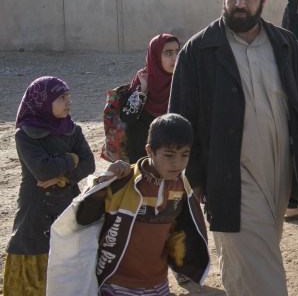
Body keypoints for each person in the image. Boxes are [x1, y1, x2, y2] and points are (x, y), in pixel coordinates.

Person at [168, 0, 298, 296]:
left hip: (278, 168)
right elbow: (179, 119)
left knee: (252, 256)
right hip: (227, 171)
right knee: (254, 260)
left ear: (262, 0)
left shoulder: (284, 44)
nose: (240, 2)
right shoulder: (199, 51)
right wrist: (192, 178)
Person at [75, 113, 210, 294]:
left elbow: (185, 230)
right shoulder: (124, 180)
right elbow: (83, 218)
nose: (177, 163)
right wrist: (105, 180)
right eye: (169, 155)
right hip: (116, 283)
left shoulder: (182, 187)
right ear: (149, 151)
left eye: (184, 154)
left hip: (158, 284)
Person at [3, 76, 95, 296]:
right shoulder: (25, 134)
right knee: (31, 247)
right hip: (35, 208)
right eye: (61, 97)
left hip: (66, 202)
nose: (68, 102)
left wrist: (64, 178)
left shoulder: (73, 129)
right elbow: (42, 170)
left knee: (65, 251)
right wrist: (72, 159)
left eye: (68, 96)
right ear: (43, 102)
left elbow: (89, 164)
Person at [106, 33, 180, 164]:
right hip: (143, 151)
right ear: (155, 56)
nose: (175, 58)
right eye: (168, 53)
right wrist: (143, 90)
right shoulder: (143, 79)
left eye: (177, 52)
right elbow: (127, 117)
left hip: (175, 148)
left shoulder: (183, 79)